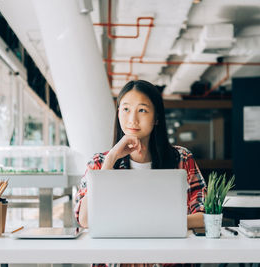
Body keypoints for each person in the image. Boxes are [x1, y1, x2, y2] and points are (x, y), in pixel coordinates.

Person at [74, 80, 207, 231]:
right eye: (126, 109)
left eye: (142, 110)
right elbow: (85, 220)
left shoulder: (181, 158)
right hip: (118, 250)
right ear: (118, 113)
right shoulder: (99, 162)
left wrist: (152, 224)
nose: (132, 120)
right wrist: (111, 158)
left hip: (168, 249)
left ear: (156, 117)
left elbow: (205, 216)